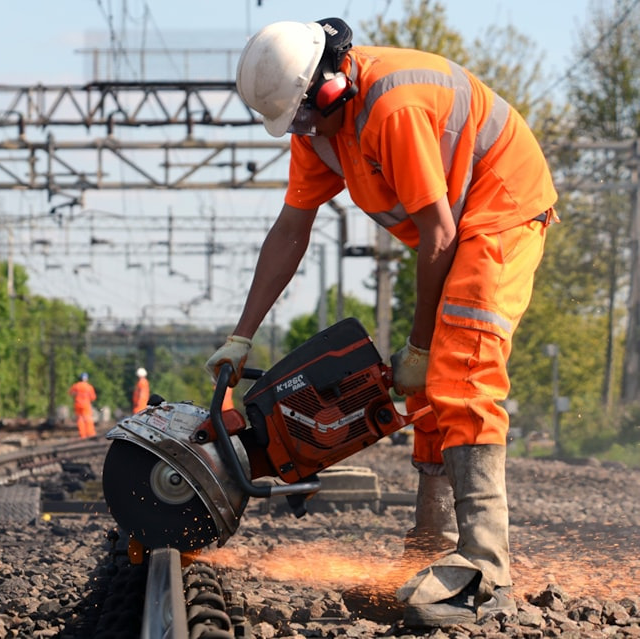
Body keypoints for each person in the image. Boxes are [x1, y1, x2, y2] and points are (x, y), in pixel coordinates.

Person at [207, 18, 557, 628]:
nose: (301, 130)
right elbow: (291, 231)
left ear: (330, 85)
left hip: (499, 209)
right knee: (428, 387)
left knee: (461, 371)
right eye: (292, 123)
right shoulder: (317, 133)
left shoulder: (391, 107)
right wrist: (242, 335)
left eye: (305, 116)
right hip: (449, 229)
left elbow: (440, 232)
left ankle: (486, 570)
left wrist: (421, 344)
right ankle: (429, 547)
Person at [68, 372, 97, 438]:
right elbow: (93, 397)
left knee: (80, 419)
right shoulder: (89, 387)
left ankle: (82, 435)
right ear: (86, 379)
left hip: (77, 404)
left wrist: (76, 395)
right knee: (88, 418)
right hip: (86, 405)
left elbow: (70, 393)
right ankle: (90, 433)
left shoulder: (76, 385)